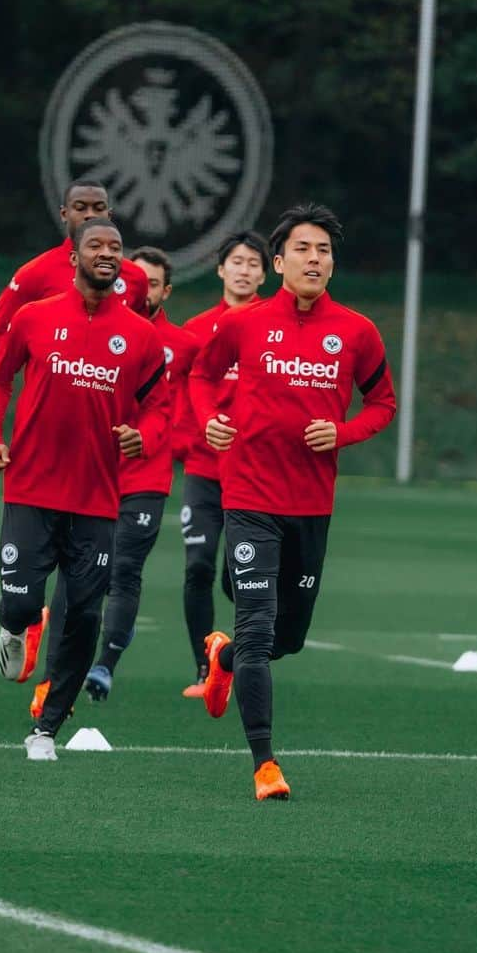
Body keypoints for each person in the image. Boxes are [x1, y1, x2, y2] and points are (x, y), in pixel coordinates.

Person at [188, 202, 396, 800]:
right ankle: (265, 764)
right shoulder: (245, 323)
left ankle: (222, 662)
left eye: (324, 250)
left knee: (288, 639)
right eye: (303, 249)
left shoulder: (357, 331)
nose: (314, 258)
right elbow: (202, 377)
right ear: (278, 262)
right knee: (256, 628)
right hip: (249, 497)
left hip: (311, 506)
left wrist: (344, 432)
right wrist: (210, 423)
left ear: (333, 265)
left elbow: (382, 404)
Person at [0, 219, 169, 760]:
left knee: (84, 616)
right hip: (31, 489)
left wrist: (145, 435)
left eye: (115, 247)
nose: (107, 254)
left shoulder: (139, 335)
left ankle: (46, 728)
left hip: (97, 500)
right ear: (76, 257)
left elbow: (160, 408)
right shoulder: (34, 318)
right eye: (96, 246)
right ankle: (13, 628)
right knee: (21, 603)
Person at [83, 246, 199, 702]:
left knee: (125, 569)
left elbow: (197, 400)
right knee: (85, 573)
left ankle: (104, 666)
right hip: (94, 473)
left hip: (147, 478)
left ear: (165, 291)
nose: (138, 290)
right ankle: (62, 662)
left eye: (150, 284)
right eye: (132, 281)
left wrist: (169, 441)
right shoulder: (96, 331)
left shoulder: (184, 346)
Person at [178, 231, 269, 695]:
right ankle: (203, 668)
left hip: (252, 474)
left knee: (241, 578)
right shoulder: (196, 330)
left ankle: (232, 657)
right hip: (202, 471)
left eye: (254, 263)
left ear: (264, 273)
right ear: (220, 269)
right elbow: (181, 391)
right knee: (197, 566)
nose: (245, 269)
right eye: (237, 261)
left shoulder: (273, 327)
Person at [0, 181, 147, 356]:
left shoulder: (135, 276)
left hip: (111, 383)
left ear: (109, 215)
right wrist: (43, 353)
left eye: (98, 208)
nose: (90, 215)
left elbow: (146, 343)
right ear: (64, 214)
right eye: (80, 208)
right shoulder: (36, 272)